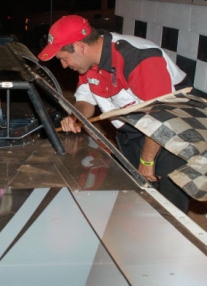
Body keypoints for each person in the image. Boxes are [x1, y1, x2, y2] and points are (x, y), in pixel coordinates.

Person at [38, 15, 192, 213]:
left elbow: (161, 116)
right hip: (132, 130)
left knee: (169, 207)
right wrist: (78, 117)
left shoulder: (138, 58)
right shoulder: (88, 63)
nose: (64, 66)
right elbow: (86, 99)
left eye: (63, 58)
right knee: (137, 199)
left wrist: (146, 161)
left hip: (169, 133)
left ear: (79, 47)